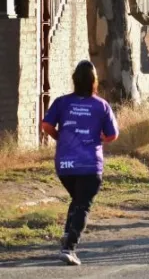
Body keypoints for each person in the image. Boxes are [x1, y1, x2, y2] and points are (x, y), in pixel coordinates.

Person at [41, 61, 119, 265]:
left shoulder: (61, 102)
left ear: (74, 79)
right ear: (94, 81)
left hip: (65, 165)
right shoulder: (101, 105)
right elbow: (113, 135)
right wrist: (99, 138)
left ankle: (67, 235)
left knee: (77, 200)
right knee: (83, 205)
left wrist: (61, 137)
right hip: (89, 165)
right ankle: (69, 248)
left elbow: (46, 125)